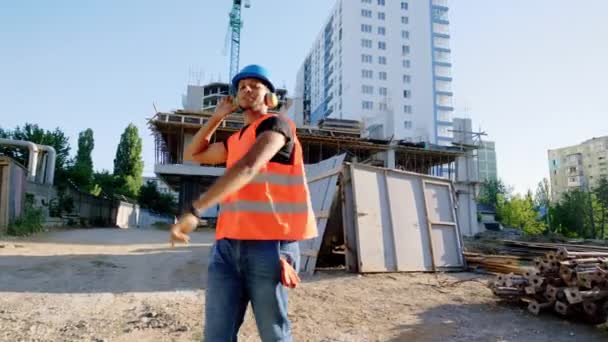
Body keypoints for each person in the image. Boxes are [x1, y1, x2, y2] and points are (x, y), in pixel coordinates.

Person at [169, 64, 318, 341]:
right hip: (227, 247)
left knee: (273, 334)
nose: (247, 89)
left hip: (269, 246)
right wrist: (217, 117)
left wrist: (195, 210)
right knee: (216, 335)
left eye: (255, 85)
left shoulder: (278, 126)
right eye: (241, 86)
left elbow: (249, 166)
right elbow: (194, 153)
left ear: (269, 96)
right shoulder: (235, 140)